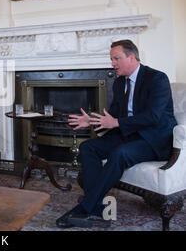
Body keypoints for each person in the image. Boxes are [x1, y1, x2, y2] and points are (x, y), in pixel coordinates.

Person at [56, 39, 177, 228]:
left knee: (120, 153)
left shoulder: (157, 78)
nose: (112, 63)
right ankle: (96, 207)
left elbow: (153, 116)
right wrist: (93, 120)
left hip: (154, 138)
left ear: (131, 57)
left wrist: (117, 122)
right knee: (88, 147)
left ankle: (84, 209)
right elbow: (113, 115)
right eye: (111, 59)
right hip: (129, 133)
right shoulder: (119, 83)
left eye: (116, 58)